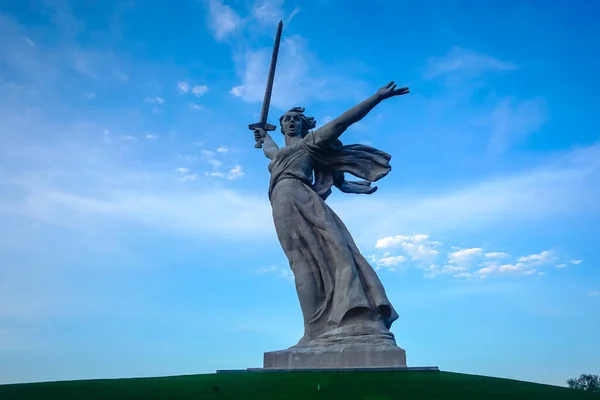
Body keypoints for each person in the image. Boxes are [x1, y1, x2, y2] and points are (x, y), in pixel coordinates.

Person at [254, 81, 410, 347]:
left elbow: (342, 122)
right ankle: (312, 331)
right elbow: (271, 150)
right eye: (287, 120)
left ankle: (352, 315)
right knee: (300, 263)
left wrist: (376, 97)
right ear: (281, 127)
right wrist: (261, 135)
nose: (291, 122)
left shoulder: (312, 143)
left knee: (340, 251)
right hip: (282, 199)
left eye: (296, 119)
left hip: (303, 195)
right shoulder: (278, 154)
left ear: (305, 125)